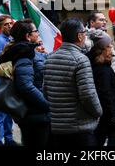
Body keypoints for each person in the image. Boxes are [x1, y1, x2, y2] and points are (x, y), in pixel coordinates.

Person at [43, 18, 102, 147]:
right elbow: (88, 95)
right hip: (80, 130)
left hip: (58, 129)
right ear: (80, 36)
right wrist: (98, 112)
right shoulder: (81, 60)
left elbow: (46, 91)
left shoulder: (50, 58)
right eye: (84, 33)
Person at [0, 19, 50, 147]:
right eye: (35, 31)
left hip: (36, 115)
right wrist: (47, 105)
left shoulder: (28, 51)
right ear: (28, 36)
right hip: (35, 116)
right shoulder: (24, 55)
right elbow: (26, 87)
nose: (38, 33)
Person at [85, 11, 115, 146]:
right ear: (92, 23)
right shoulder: (90, 42)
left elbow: (114, 63)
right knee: (113, 119)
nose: (105, 22)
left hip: (111, 82)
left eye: (105, 20)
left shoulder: (105, 38)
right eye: (101, 20)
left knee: (113, 122)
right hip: (104, 86)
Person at [87, 30, 115, 146]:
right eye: (108, 46)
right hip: (106, 114)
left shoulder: (98, 64)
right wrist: (113, 116)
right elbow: (106, 93)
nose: (111, 49)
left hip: (102, 112)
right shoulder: (103, 70)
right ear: (102, 50)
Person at [0, 14, 16, 146]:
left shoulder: (9, 38)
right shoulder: (0, 41)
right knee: (0, 114)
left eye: (10, 23)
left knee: (7, 114)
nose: (9, 26)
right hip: (2, 81)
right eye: (6, 24)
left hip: (8, 81)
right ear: (0, 27)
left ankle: (9, 138)